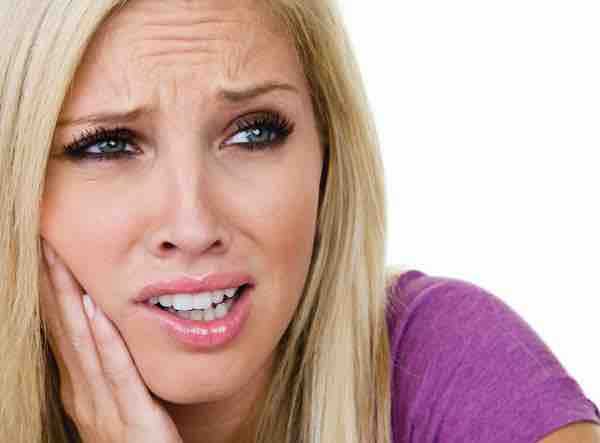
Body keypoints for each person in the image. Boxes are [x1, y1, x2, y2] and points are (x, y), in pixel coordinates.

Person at [0, 1, 598, 442]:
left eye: (253, 133)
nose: (193, 223)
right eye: (107, 146)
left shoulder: (447, 361)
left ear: (328, 159)